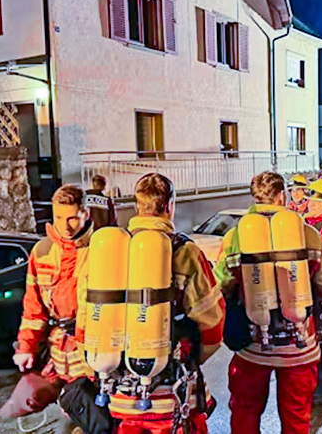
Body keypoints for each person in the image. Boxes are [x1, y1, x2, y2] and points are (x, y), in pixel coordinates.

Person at [77, 173, 225, 434]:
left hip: (117, 399)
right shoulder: (185, 252)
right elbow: (213, 324)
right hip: (173, 398)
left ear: (137, 206)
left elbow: (84, 324)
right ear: (170, 207)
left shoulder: (102, 253)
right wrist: (189, 360)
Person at [214, 171, 322, 434]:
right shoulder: (309, 234)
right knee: (296, 418)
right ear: (282, 195)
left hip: (252, 346)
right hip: (299, 347)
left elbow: (221, 285)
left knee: (245, 412)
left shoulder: (233, 237)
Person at [12, 185, 92, 427]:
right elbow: (33, 306)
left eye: (72, 218)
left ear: (86, 214)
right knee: (68, 418)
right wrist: (26, 346)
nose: (65, 226)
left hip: (92, 356)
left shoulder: (101, 249)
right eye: (58, 217)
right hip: (57, 355)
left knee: (93, 419)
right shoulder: (42, 251)